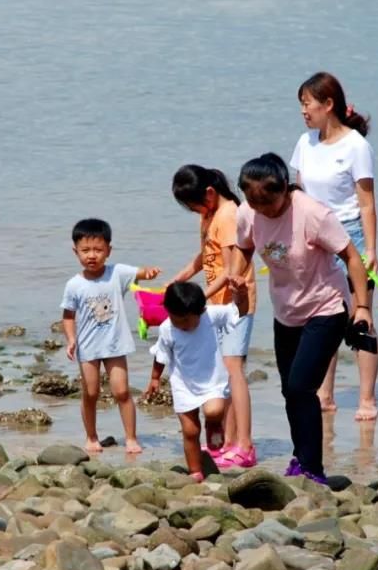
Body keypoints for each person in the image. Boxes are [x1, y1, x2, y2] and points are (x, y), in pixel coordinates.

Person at [228, 153, 372, 485]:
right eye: (253, 200)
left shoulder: (312, 213)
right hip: (286, 310)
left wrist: (361, 307)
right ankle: (301, 456)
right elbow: (244, 247)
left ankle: (313, 469)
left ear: (284, 189)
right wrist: (237, 277)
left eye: (268, 201)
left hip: (326, 307)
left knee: (300, 386)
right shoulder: (248, 212)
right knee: (289, 391)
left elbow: (351, 255)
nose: (261, 208)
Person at [290, 71, 378, 421]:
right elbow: (298, 196)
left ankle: (367, 399)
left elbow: (367, 203)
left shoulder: (356, 145)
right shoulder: (304, 143)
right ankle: (324, 394)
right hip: (314, 239)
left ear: (329, 105)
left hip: (350, 238)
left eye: (307, 104)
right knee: (321, 317)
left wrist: (371, 250)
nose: (303, 111)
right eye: (301, 105)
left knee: (360, 317)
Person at [169, 164, 258, 469]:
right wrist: (181, 279)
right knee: (223, 375)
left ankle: (244, 444)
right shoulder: (209, 216)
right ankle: (228, 441)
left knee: (234, 371)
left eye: (195, 204)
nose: (195, 211)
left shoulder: (229, 214)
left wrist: (197, 300)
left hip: (235, 304)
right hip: (212, 305)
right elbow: (206, 255)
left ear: (209, 192)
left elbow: (231, 268)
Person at [61, 218, 161, 454]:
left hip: (115, 345)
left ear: (108, 250)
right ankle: (91, 437)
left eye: (98, 250)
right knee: (91, 393)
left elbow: (141, 273)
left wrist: (151, 273)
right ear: (76, 252)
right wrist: (71, 339)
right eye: (85, 251)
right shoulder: (74, 285)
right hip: (87, 349)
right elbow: (68, 316)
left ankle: (131, 438)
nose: (92, 255)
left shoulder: (117, 272)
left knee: (122, 392)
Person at [144, 282, 239, 482]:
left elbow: (237, 311)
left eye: (187, 321)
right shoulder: (167, 329)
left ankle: (213, 425)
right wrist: (155, 378)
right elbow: (161, 354)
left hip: (212, 378)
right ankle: (195, 471)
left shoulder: (210, 316)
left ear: (200, 311)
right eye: (176, 319)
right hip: (183, 384)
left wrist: (243, 292)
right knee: (190, 430)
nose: (182, 325)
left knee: (214, 411)